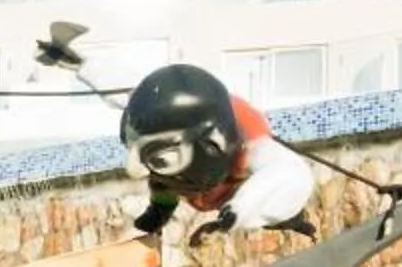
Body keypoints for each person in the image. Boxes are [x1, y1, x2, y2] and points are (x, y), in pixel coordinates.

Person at [119, 64, 317, 242]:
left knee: (276, 206)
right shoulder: (148, 125)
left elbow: (289, 172)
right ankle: (161, 210)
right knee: (162, 180)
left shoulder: (251, 150)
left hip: (237, 192)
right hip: (201, 177)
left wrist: (238, 209)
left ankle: (292, 220)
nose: (133, 171)